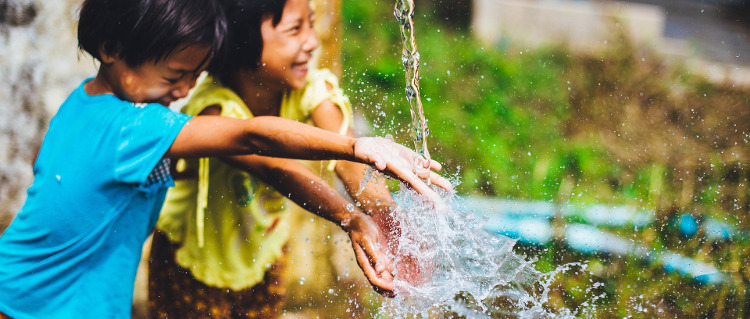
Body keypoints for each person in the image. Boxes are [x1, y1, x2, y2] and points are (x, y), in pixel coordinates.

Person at [0, 0, 448, 318]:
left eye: (194, 75)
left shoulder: (84, 104)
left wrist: (372, 215)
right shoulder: (132, 127)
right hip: (39, 305)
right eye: (175, 76)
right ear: (112, 48)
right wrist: (356, 147)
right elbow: (253, 137)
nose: (182, 92)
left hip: (41, 292)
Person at [146, 0, 447, 317]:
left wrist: (386, 218)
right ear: (242, 38)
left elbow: (349, 160)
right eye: (295, 29)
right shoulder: (214, 108)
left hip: (265, 251)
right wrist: (351, 218)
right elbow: (277, 169)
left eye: (311, 24)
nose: (312, 42)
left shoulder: (308, 88)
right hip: (191, 261)